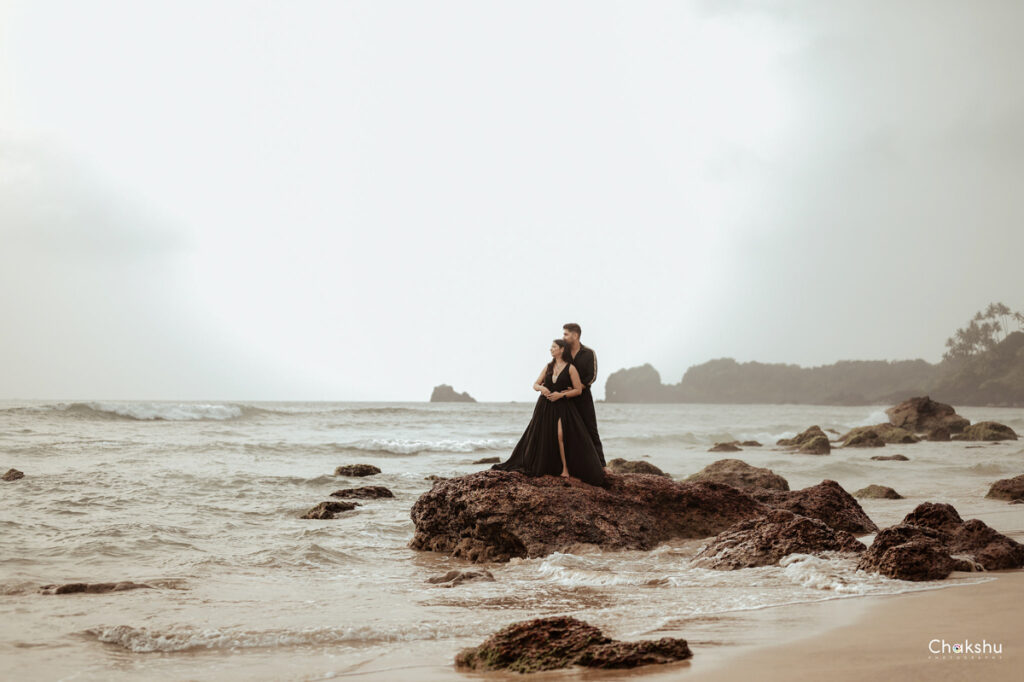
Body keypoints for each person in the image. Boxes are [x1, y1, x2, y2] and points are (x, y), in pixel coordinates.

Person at [492, 339, 606, 486]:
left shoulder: (571, 368)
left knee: (560, 435)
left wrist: (561, 395)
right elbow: (535, 384)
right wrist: (542, 389)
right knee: (543, 435)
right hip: (544, 406)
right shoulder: (548, 366)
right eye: (551, 347)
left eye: (554, 347)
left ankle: (565, 468)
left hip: (562, 406)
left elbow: (578, 390)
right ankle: (547, 466)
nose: (551, 349)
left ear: (561, 350)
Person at [561, 323, 606, 467]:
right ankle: (569, 465)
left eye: (566, 334)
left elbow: (592, 375)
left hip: (583, 397)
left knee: (591, 429)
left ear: (575, 335)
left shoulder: (589, 353)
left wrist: (580, 386)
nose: (563, 337)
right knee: (566, 431)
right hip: (566, 397)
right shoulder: (563, 352)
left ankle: (601, 464)